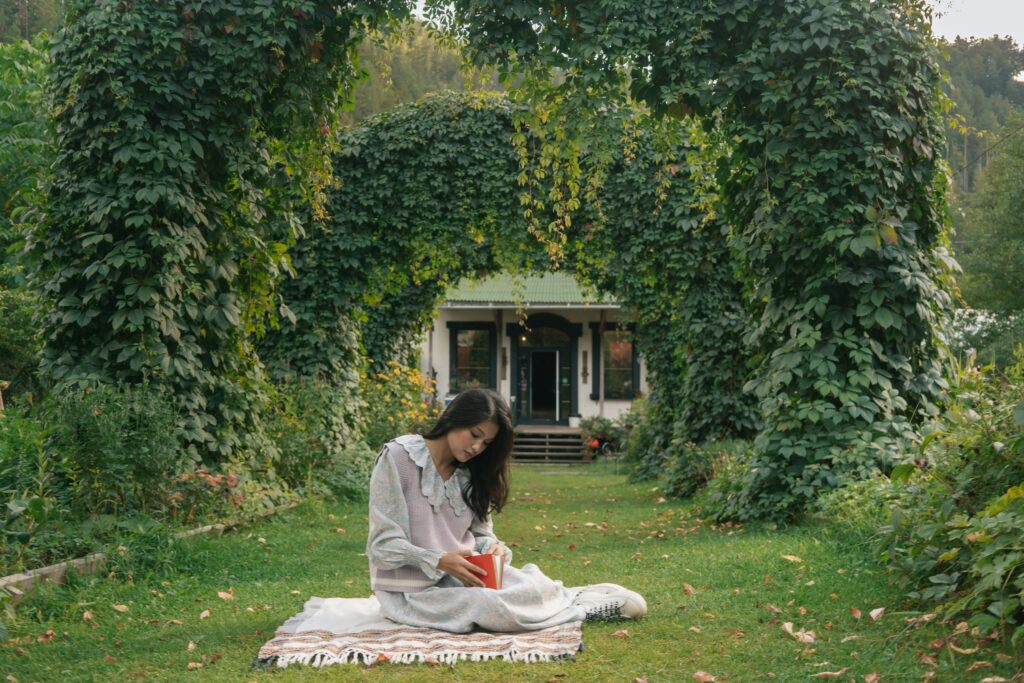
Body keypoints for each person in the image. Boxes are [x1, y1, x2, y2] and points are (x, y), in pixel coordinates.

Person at [366, 387, 647, 633]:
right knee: (489, 605)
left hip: (466, 578)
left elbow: (480, 535)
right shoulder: (399, 457)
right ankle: (582, 610)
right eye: (474, 435)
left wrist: (493, 548)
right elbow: (382, 546)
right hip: (411, 593)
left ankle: (570, 596)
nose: (477, 447)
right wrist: (439, 560)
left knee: (532, 582)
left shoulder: (472, 474)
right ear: (454, 419)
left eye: (487, 443)